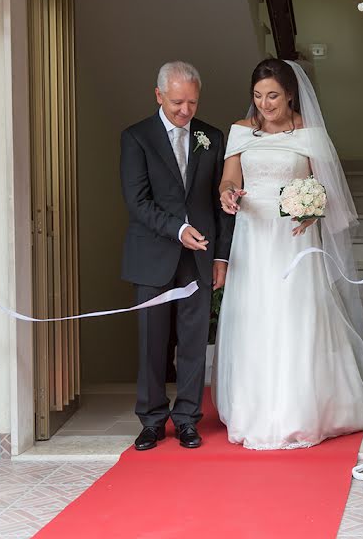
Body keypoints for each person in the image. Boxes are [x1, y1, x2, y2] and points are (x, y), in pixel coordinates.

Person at [212, 58, 363, 450]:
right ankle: (255, 409)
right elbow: (229, 178)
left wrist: (314, 209)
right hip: (253, 238)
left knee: (295, 316)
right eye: (257, 96)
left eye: (272, 95)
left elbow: (327, 189)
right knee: (255, 318)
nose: (265, 104)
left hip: (294, 239)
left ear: (290, 93)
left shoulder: (309, 133)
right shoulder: (240, 131)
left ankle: (301, 409)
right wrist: (227, 194)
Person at [120, 61, 234, 451]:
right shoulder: (136, 137)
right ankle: (151, 419)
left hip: (199, 255)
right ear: (158, 96)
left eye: (192, 103)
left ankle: (187, 418)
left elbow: (220, 203)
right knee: (152, 342)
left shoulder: (212, 137)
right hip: (152, 253)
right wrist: (177, 230)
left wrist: (222, 256)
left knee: (193, 341)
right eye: (177, 103)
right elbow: (137, 201)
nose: (185, 111)